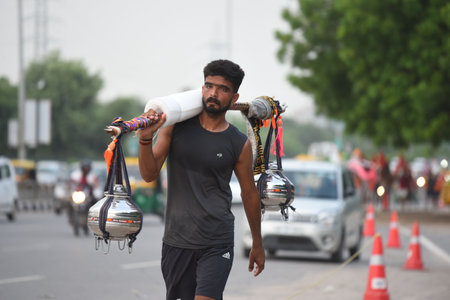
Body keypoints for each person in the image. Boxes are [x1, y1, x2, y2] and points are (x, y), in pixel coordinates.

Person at [138, 59, 265, 300]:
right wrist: (145, 139)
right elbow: (149, 174)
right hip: (177, 240)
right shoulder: (174, 127)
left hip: (217, 240)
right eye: (209, 86)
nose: (213, 93)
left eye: (223, 89)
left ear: (234, 98)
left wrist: (257, 243)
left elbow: (249, 193)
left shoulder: (238, 143)